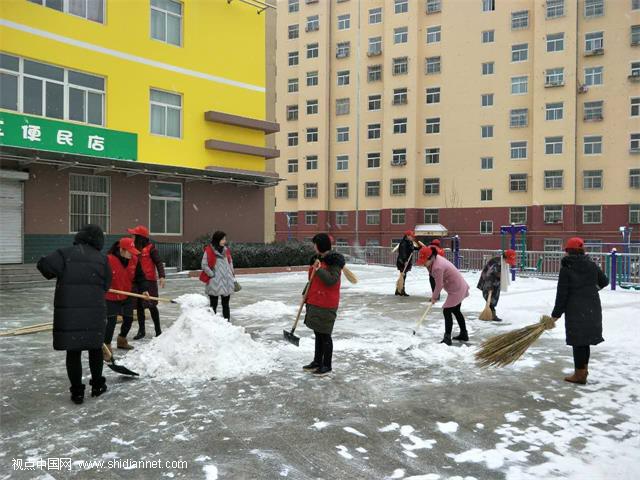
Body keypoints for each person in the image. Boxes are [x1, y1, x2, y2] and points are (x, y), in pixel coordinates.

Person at [36, 224, 111, 404]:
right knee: (95, 348)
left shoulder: (64, 253)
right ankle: (97, 386)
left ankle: (77, 392)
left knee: (74, 351)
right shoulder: (102, 259)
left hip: (70, 314)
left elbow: (44, 266)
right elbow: (106, 285)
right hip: (94, 312)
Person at [550, 237, 609, 385]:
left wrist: (556, 314)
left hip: (575, 308)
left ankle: (579, 374)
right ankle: (583, 370)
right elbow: (605, 281)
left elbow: (562, 294)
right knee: (585, 341)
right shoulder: (591, 265)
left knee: (579, 342)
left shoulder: (567, 269)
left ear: (568, 251)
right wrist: (592, 290)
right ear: (582, 250)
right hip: (592, 307)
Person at [302, 233, 346, 376]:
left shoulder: (334, 262)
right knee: (318, 333)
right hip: (315, 300)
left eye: (315, 244)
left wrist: (318, 269)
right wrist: (305, 294)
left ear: (320, 245)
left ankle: (326, 365)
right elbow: (312, 280)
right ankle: (317, 361)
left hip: (327, 303)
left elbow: (331, 280)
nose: (313, 246)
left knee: (325, 334)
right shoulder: (317, 259)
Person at [417, 246, 470, 346]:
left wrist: (434, 297)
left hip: (457, 289)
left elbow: (439, 284)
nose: (423, 264)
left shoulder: (437, 267)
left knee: (447, 311)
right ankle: (464, 334)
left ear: (431, 257)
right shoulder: (435, 260)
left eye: (424, 261)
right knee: (456, 310)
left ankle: (447, 338)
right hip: (459, 286)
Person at [128, 225, 166, 341]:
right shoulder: (133, 248)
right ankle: (141, 330)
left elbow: (158, 262)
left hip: (149, 281)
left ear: (140, 237)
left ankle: (158, 330)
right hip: (137, 281)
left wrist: (162, 276)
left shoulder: (151, 248)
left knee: (151, 305)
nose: (132, 236)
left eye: (134, 235)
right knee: (139, 306)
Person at [104, 238, 140, 358]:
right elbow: (100, 276)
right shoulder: (108, 260)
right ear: (121, 250)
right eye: (129, 251)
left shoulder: (134, 259)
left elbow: (140, 276)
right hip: (111, 295)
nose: (132, 253)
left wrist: (144, 289)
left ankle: (122, 340)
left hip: (127, 294)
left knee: (129, 319)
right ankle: (106, 347)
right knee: (111, 322)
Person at [200, 231, 235, 320]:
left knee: (226, 305)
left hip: (226, 281)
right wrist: (212, 275)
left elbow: (230, 261)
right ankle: (212, 326)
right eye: (223, 239)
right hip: (215, 282)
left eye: (225, 239)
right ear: (217, 239)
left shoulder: (226, 250)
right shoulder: (209, 250)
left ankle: (227, 324)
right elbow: (204, 265)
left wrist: (231, 272)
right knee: (213, 306)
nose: (224, 241)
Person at [476, 249, 517, 321]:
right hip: (488, 281)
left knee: (494, 297)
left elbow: (498, 274)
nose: (510, 263)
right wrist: (490, 287)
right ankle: (492, 314)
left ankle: (491, 313)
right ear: (505, 257)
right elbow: (489, 275)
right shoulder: (497, 264)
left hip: (496, 281)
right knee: (490, 297)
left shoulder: (502, 262)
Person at [396, 230, 420, 297]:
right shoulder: (404, 243)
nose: (412, 237)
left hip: (406, 261)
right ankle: (401, 290)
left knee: (402, 275)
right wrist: (405, 260)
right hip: (402, 261)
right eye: (411, 236)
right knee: (403, 275)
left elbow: (411, 248)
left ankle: (398, 290)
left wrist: (418, 248)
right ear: (407, 236)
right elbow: (403, 253)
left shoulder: (409, 242)